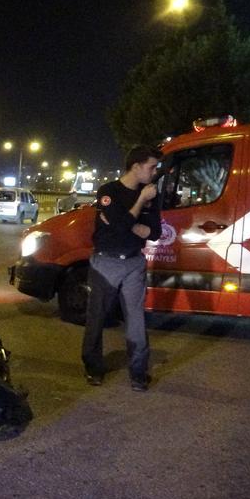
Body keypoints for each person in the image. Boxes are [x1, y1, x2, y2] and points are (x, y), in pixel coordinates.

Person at [81, 145, 161, 392]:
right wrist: (138, 206)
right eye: (152, 166)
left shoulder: (152, 195)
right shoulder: (108, 191)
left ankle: (138, 373)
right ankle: (93, 368)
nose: (155, 172)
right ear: (136, 167)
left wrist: (127, 223)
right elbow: (120, 225)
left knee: (136, 320)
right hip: (105, 263)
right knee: (97, 318)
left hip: (134, 263)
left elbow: (155, 232)